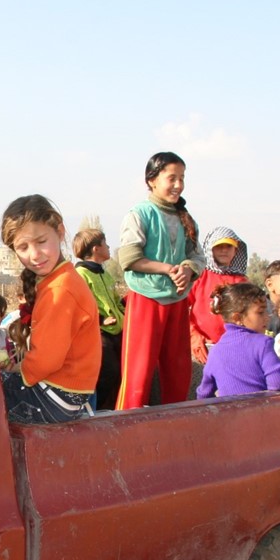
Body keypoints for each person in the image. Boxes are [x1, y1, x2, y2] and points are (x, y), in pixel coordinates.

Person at [0, 195, 101, 424]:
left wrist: (17, 369)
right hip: (67, 395)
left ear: (60, 231)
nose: (34, 255)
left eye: (41, 241)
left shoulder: (60, 290)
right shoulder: (60, 281)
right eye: (23, 247)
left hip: (53, 397)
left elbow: (47, 360)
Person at [116, 152, 204, 408]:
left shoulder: (185, 218)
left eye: (182, 178)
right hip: (146, 299)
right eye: (171, 178)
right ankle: (126, 429)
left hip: (177, 300)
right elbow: (130, 258)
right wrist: (168, 268)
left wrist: (187, 269)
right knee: (138, 375)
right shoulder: (140, 213)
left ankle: (173, 427)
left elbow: (196, 256)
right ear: (152, 180)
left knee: (178, 372)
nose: (178, 185)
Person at [196, 283, 280, 398]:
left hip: (231, 414)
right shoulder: (262, 343)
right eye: (260, 312)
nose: (267, 316)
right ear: (238, 318)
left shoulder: (215, 351)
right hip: (260, 412)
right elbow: (277, 383)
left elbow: (204, 393)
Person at [72, 228, 125, 410]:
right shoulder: (80, 275)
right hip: (97, 333)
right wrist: (101, 320)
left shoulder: (104, 274)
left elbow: (116, 300)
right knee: (108, 372)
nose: (109, 247)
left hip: (116, 330)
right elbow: (79, 306)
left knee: (120, 373)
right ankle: (93, 408)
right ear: (96, 248)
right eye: (106, 244)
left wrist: (124, 314)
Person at [188, 226, 249, 364]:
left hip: (233, 349)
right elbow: (180, 309)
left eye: (228, 246)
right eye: (219, 246)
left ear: (236, 250)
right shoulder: (198, 276)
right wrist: (193, 336)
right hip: (201, 347)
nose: (224, 250)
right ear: (210, 249)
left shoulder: (243, 282)